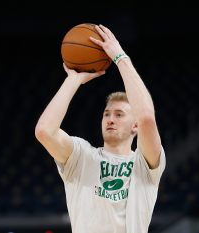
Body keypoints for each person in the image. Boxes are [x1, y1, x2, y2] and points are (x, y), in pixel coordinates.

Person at [35, 24, 166, 233]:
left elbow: (147, 118)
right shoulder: (82, 156)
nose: (110, 119)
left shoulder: (144, 164)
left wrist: (120, 58)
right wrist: (73, 80)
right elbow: (44, 131)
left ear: (135, 126)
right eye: (107, 114)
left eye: (119, 114)